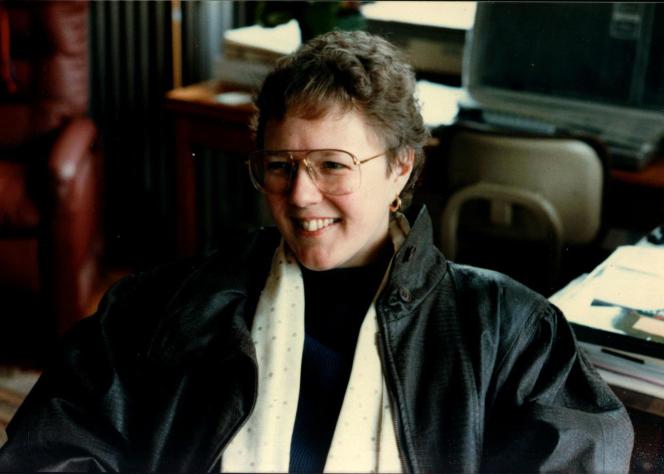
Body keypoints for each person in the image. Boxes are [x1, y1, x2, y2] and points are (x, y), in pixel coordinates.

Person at [0, 30, 633, 472]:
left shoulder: (509, 330)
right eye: (279, 165)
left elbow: (581, 453)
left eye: (333, 164)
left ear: (401, 169)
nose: (301, 196)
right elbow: (53, 445)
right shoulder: (159, 309)